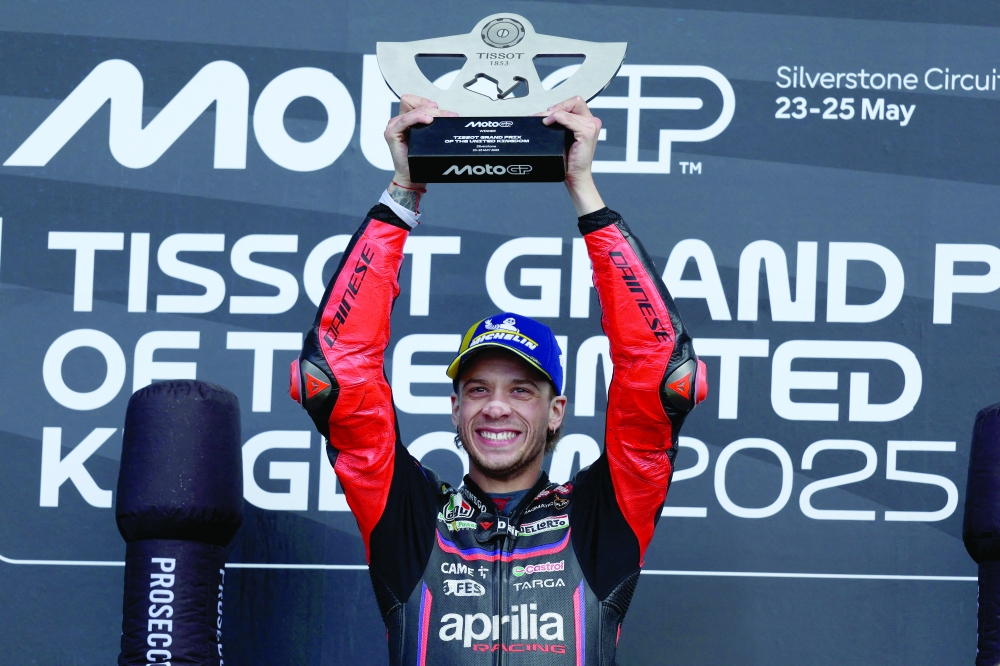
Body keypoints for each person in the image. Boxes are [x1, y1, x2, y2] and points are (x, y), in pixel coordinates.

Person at [289, 94, 706, 665]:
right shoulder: (410, 517)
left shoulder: (604, 515)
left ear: (556, 409)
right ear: (455, 407)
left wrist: (585, 191)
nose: (496, 407)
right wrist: (403, 194)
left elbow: (661, 374)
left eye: (521, 390)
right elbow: (335, 374)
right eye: (478, 389)